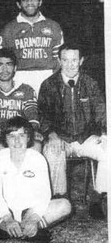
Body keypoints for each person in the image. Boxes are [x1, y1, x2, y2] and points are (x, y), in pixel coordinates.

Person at [0, 117, 71, 242]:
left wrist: (34, 219)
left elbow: (44, 195)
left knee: (65, 205)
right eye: (12, 136)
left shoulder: (38, 158)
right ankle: (7, 227)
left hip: (31, 210)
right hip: (5, 209)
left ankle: (30, 228)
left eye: (21, 135)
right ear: (5, 139)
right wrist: (7, 219)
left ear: (28, 138)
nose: (17, 141)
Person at [38, 43, 107, 219]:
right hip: (60, 138)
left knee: (109, 148)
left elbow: (101, 110)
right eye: (66, 60)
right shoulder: (49, 85)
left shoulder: (90, 83)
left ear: (81, 61)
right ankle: (60, 201)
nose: (70, 65)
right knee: (53, 152)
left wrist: (105, 133)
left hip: (86, 138)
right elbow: (43, 115)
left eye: (74, 60)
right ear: (59, 61)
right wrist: (52, 135)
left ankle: (97, 198)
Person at [0, 0, 64, 93]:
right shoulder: (9, 28)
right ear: (18, 4)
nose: (30, 3)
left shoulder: (54, 26)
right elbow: (2, 59)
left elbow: (60, 57)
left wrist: (56, 80)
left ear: (40, 2)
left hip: (48, 77)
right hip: (19, 78)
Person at [0, 48, 42, 154]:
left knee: (37, 146)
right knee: (1, 149)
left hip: (20, 135)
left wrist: (33, 132)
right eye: (0, 65)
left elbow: (32, 114)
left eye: (9, 64)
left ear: (15, 68)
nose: (5, 69)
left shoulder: (26, 89)